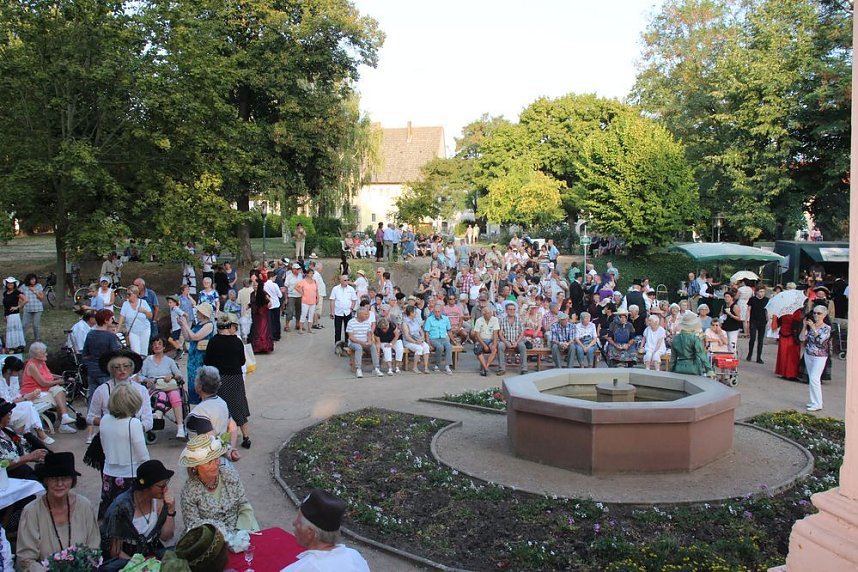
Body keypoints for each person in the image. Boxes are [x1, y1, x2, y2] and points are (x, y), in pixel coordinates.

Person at [16, 452, 100, 572]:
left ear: (72, 480)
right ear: (45, 480)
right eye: (53, 478)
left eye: (65, 478)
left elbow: (93, 546)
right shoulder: (31, 511)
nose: (60, 484)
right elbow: (26, 559)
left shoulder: (84, 506)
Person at [100, 460, 176, 571]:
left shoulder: (159, 501)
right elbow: (115, 551)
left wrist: (171, 510)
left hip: (152, 553)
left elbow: (166, 536)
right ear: (147, 486)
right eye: (161, 486)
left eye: (166, 484)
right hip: (126, 559)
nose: (165, 489)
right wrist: (140, 565)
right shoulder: (122, 507)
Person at [179, 434, 259, 534]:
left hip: (241, 530)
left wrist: (240, 533)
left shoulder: (230, 475)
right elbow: (193, 525)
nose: (215, 464)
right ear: (195, 467)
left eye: (217, 458)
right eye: (209, 462)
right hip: (211, 540)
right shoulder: (189, 491)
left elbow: (244, 505)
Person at [284, 489, 370, 572]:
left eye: (299, 522)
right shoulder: (355, 557)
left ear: (310, 533)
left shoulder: (301, 569)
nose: (294, 523)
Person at [99, 383, 150, 519]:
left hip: (108, 473)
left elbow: (104, 447)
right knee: (130, 513)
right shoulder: (133, 424)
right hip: (130, 475)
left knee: (111, 509)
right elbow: (143, 456)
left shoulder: (104, 420)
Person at [204, 314, 250, 448]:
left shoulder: (213, 341)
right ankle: (246, 437)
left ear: (218, 328)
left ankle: (221, 437)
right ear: (230, 327)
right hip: (235, 377)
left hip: (220, 378)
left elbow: (207, 361)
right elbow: (242, 361)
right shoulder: (237, 342)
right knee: (238, 406)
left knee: (220, 407)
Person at [87, 348, 153, 434]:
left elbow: (148, 420)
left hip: (135, 434)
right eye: (117, 367)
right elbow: (90, 417)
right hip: (110, 435)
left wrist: (136, 428)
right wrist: (109, 423)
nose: (122, 370)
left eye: (126, 366)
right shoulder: (102, 390)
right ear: (111, 369)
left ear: (131, 368)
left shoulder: (141, 390)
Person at [183, 367, 240, 459]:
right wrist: (231, 448)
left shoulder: (200, 412)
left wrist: (227, 451)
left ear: (199, 387)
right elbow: (233, 426)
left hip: (205, 462)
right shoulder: (222, 402)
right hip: (221, 458)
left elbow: (211, 441)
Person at [20, 342, 77, 433]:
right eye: (44, 353)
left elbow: (49, 375)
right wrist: (59, 381)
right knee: (59, 393)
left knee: (59, 390)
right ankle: (63, 421)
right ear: (37, 355)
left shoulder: (41, 362)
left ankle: (64, 419)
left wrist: (63, 378)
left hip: (44, 390)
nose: (46, 354)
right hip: (33, 393)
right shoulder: (32, 366)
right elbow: (43, 383)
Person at [0, 358, 53, 444]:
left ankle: (36, 433)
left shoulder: (13, 378)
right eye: (17, 371)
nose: (19, 374)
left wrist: (28, 396)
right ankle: (38, 433)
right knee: (28, 406)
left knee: (28, 406)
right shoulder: (1, 381)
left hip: (12, 405)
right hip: (4, 409)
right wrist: (26, 397)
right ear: (9, 370)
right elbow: (7, 402)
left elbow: (16, 395)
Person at [140, 338, 185, 440]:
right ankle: (158, 416)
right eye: (154, 344)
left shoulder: (170, 361)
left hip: (169, 386)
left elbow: (179, 375)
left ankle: (180, 428)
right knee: (162, 395)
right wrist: (147, 380)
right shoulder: (147, 361)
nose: (157, 346)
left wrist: (172, 376)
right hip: (154, 388)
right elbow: (140, 376)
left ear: (164, 347)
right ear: (152, 347)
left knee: (174, 395)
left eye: (160, 344)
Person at [0, 398, 49, 479]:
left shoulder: (7, 431)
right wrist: (28, 457)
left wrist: (37, 456)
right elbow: (1, 465)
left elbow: (22, 447)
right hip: (8, 480)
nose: (10, 415)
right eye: (8, 413)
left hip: (22, 472)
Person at [178, 303, 215, 404]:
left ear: (203, 313)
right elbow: (188, 338)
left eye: (198, 311)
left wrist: (186, 324)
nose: (197, 313)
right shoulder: (198, 324)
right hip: (193, 356)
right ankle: (194, 401)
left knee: (201, 379)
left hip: (201, 357)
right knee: (192, 379)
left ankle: (203, 401)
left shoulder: (209, 325)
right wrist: (182, 326)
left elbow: (196, 337)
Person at [799, 306, 831, 412]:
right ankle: (814, 401)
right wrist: (804, 326)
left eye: (819, 314)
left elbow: (821, 341)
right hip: (809, 354)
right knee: (811, 378)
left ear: (824, 315)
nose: (816, 315)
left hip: (820, 356)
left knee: (814, 378)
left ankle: (818, 403)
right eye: (815, 313)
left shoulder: (826, 328)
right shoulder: (810, 325)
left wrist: (814, 328)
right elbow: (802, 338)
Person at [117, 285, 153, 357]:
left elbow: (150, 316)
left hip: (144, 330)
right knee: (135, 351)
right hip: (133, 331)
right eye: (127, 294)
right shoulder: (125, 304)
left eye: (129, 294)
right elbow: (122, 317)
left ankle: (143, 366)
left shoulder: (143, 302)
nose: (127, 296)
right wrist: (118, 328)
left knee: (144, 351)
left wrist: (145, 311)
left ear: (135, 294)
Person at [345, 308, 381, 379]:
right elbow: (351, 337)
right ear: (359, 315)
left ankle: (376, 368)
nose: (367, 316)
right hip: (354, 342)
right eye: (365, 314)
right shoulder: (351, 322)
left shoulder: (367, 322)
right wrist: (361, 342)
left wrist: (369, 341)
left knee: (373, 346)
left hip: (365, 342)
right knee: (359, 347)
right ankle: (358, 369)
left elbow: (369, 334)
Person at [423, 302, 454, 375]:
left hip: (443, 338)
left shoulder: (446, 319)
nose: (437, 313)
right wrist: (428, 344)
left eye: (438, 311)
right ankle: (437, 365)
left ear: (441, 311)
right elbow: (426, 332)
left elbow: (449, 330)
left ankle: (447, 366)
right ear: (433, 311)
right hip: (433, 338)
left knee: (449, 346)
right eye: (435, 312)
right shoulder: (429, 319)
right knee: (440, 347)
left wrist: (453, 340)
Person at [472, 305, 500, 376]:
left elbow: (495, 333)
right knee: (477, 349)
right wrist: (484, 345)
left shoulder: (495, 319)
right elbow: (477, 335)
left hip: (491, 340)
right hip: (481, 340)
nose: (490, 314)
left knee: (494, 349)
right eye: (488, 313)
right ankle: (486, 368)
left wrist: (494, 344)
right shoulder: (479, 320)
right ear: (483, 314)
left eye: (490, 313)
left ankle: (485, 367)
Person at [775, 308, 803, 380]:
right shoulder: (797, 312)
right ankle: (791, 374)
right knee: (792, 355)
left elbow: (779, 322)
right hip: (792, 335)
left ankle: (783, 372)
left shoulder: (782, 310)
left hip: (783, 333)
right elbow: (796, 325)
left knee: (783, 354)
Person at [249, 278, 274, 354]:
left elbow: (269, 301)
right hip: (255, 315)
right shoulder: (252, 294)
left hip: (263, 315)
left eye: (256, 285)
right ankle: (257, 347)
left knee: (262, 330)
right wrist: (249, 305)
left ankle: (264, 347)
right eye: (254, 285)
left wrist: (269, 303)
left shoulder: (263, 293)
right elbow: (252, 303)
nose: (255, 286)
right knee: (256, 330)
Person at [3, 277, 26, 353]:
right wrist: (5, 315)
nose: (10, 285)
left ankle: (15, 347)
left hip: (14, 315)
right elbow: (5, 306)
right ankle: (15, 346)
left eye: (11, 283)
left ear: (14, 285)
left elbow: (26, 300)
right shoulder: (5, 293)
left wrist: (17, 307)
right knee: (10, 331)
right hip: (8, 315)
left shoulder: (16, 292)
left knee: (14, 330)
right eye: (8, 283)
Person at [20, 274, 45, 342]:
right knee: (24, 324)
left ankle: (37, 339)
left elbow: (41, 298)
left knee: (35, 325)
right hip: (27, 308)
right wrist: (21, 304)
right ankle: (22, 339)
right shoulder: (23, 287)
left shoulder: (39, 286)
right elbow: (20, 296)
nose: (33, 281)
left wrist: (34, 291)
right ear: (28, 280)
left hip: (38, 308)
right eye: (31, 279)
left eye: (34, 279)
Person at [746, 286, 768, 364]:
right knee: (752, 338)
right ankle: (750, 354)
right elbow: (749, 309)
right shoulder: (752, 299)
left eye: (763, 291)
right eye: (760, 291)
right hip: (753, 320)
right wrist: (747, 320)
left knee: (760, 340)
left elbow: (767, 311)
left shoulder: (766, 300)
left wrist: (768, 319)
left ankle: (759, 357)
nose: (762, 293)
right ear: (757, 292)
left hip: (762, 321)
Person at [296, 267, 319, 334]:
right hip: (305, 300)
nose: (311, 275)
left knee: (311, 315)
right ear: (307, 274)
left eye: (312, 273)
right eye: (310, 273)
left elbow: (316, 290)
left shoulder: (314, 281)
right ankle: (300, 328)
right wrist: (301, 292)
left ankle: (310, 328)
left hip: (313, 300)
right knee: (303, 314)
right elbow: (296, 287)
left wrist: (317, 298)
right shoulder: (303, 281)